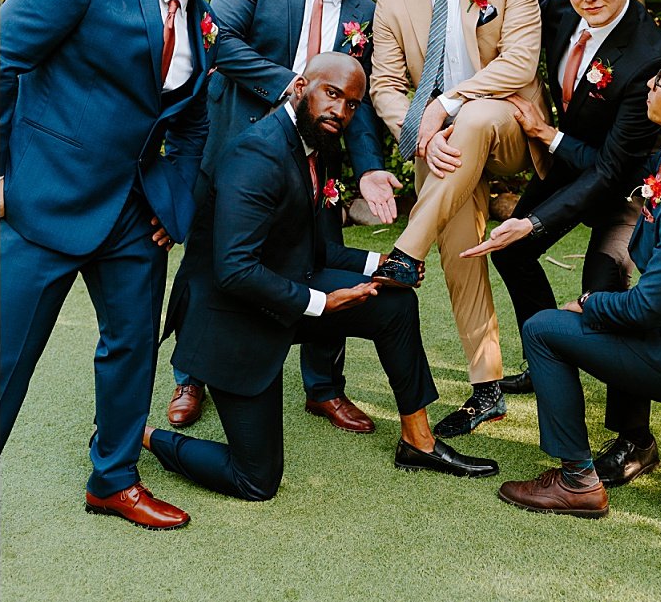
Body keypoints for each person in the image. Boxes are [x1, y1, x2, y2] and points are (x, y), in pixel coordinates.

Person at [1, 0, 245, 529]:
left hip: (136, 217)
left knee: (134, 348)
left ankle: (113, 480)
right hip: (43, 201)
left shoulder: (204, 21)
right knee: (8, 357)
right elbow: (1, 57)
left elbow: (192, 126)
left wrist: (174, 206)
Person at [147, 54, 495, 503]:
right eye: (332, 94)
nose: (341, 112)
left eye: (352, 104)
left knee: (393, 305)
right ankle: (143, 433)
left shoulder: (317, 144)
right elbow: (234, 270)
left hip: (283, 292)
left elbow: (311, 248)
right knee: (256, 481)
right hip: (232, 322)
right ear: (300, 87)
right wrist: (321, 303)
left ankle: (417, 440)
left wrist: (380, 263)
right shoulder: (257, 155)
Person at [498, 47, 661, 547]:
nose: (648, 85)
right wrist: (545, 139)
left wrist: (587, 305)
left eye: (660, 82)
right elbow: (609, 169)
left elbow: (646, 309)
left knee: (543, 328)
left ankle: (577, 481)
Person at [167, 0, 401, 432]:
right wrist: (290, 86)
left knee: (322, 256)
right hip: (235, 144)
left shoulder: (365, 10)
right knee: (209, 262)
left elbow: (358, 102)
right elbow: (216, 40)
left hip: (315, 159)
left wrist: (367, 167)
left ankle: (323, 386)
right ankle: (190, 376)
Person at [462, 0, 661, 486]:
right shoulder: (559, 9)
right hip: (570, 161)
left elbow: (610, 170)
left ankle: (635, 437)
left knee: (606, 297)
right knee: (512, 254)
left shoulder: (648, 53)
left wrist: (542, 167)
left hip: (626, 184)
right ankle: (546, 354)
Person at [368, 0, 548, 437]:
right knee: (461, 253)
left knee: (473, 116)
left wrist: (445, 102)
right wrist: (421, 126)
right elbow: (385, 85)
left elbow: (519, 63)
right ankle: (486, 388)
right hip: (443, 144)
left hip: (506, 124)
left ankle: (403, 250)